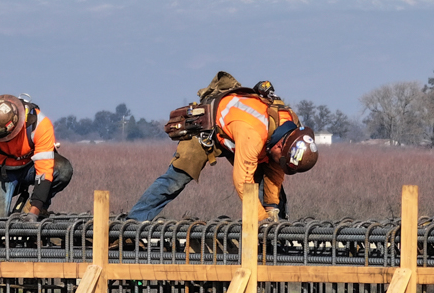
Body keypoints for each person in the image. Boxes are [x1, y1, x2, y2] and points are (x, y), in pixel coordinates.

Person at [127, 77, 317, 222]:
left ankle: (273, 240)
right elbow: (243, 182)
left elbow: (275, 172)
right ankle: (133, 224)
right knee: (175, 179)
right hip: (208, 131)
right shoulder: (253, 134)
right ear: (280, 146)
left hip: (239, 136)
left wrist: (272, 207)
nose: (280, 163)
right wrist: (260, 218)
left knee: (270, 191)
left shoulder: (289, 127)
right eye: (281, 159)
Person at [0, 95, 72, 218]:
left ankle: (36, 208)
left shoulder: (39, 124)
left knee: (63, 170)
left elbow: (44, 172)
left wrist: (33, 214)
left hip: (29, 167)